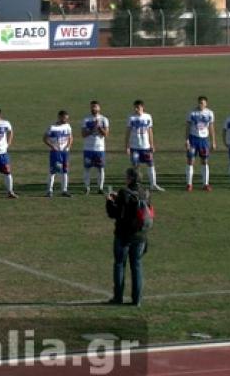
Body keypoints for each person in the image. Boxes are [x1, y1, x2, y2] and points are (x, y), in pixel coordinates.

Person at [105, 168, 150, 306]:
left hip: (123, 235)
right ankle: (137, 299)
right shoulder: (145, 192)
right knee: (136, 266)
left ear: (130, 178)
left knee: (119, 265)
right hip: (141, 236)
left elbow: (114, 213)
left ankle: (118, 297)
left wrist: (109, 201)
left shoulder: (124, 192)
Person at [124, 100, 164, 192]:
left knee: (150, 165)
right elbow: (128, 132)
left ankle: (153, 184)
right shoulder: (131, 118)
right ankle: (136, 185)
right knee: (136, 166)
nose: (136, 109)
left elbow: (150, 131)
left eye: (137, 107)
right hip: (135, 147)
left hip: (146, 147)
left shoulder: (148, 117)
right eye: (135, 107)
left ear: (142, 107)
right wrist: (127, 146)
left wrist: (152, 144)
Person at [185, 96, 217, 192]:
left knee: (204, 161)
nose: (201, 104)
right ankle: (189, 184)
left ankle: (205, 184)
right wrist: (186, 140)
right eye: (199, 103)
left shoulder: (210, 113)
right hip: (193, 139)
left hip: (204, 140)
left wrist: (213, 141)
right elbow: (187, 127)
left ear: (206, 104)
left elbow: (211, 128)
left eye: (203, 103)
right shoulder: (192, 113)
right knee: (191, 161)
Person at [81, 100, 109, 195]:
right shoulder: (86, 119)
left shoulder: (104, 119)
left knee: (100, 169)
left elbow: (106, 134)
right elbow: (83, 134)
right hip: (88, 148)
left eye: (95, 107)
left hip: (99, 148)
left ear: (99, 108)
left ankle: (100, 188)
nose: (93, 108)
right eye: (92, 107)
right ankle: (86, 187)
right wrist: (93, 128)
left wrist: (99, 127)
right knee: (87, 168)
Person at [44, 110, 73, 198]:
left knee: (65, 171)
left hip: (65, 152)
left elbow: (70, 137)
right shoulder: (52, 127)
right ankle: (49, 191)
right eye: (64, 118)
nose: (65, 120)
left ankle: (64, 190)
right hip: (55, 152)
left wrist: (68, 146)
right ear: (59, 117)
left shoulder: (68, 126)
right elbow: (45, 138)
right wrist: (52, 146)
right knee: (53, 171)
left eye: (66, 119)